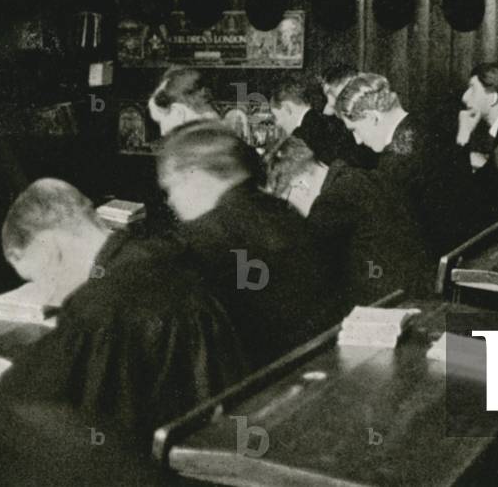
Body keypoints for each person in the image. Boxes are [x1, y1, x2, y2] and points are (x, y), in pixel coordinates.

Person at [0, 179, 247, 483]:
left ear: (50, 248)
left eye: (38, 279)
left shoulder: (102, 305)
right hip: (204, 457)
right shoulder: (166, 259)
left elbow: (18, 406)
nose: (49, 298)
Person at [157, 121, 336, 367]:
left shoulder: (212, 235)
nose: (172, 201)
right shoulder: (284, 211)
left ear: (194, 176)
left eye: (171, 188)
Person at [265, 137, 433, 302]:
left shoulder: (330, 203)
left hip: (392, 301)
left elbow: (311, 270)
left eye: (288, 202)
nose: (293, 210)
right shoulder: (361, 176)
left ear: (301, 186)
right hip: (417, 286)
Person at [336, 73, 476, 254]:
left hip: (435, 258)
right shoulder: (431, 126)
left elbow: (395, 237)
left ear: (373, 118)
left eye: (354, 129)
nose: (357, 140)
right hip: (464, 244)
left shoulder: (396, 162)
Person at [456, 63, 498, 226]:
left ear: (493, 97)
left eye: (472, 88)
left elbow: (466, 195)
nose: (464, 97)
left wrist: (463, 136)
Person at [270, 71, 364, 166]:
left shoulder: (299, 137)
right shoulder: (333, 122)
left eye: (276, 117)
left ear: (287, 108)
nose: (277, 124)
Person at [147, 67, 220, 135]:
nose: (204, 92)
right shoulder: (178, 112)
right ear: (183, 95)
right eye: (197, 89)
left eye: (204, 87)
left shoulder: (203, 109)